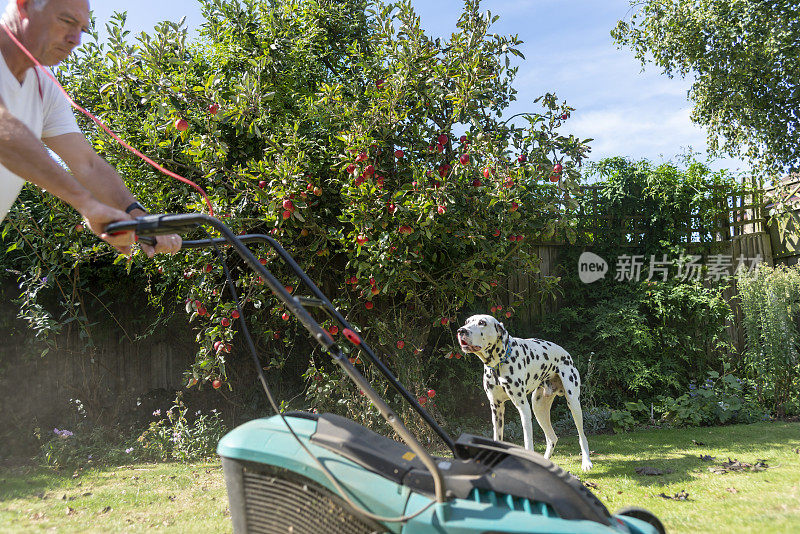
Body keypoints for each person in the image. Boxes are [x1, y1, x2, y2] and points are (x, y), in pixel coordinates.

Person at [0, 0, 181, 256]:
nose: (76, 39)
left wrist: (139, 219)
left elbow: (88, 164)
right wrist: (86, 204)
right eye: (67, 21)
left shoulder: (43, 87)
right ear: (24, 5)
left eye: (83, 30)